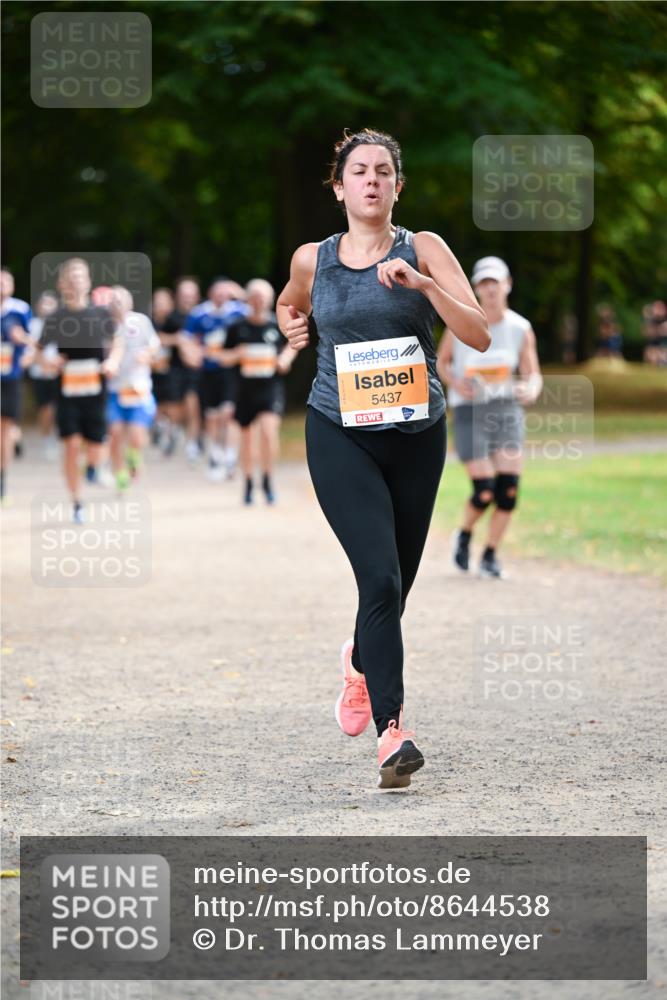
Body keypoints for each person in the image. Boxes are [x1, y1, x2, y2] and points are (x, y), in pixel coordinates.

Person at [276, 128, 490, 789]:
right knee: (380, 579)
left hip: (417, 434)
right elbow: (289, 302)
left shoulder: (422, 248)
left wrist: (424, 285)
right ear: (339, 188)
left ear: (397, 187)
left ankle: (360, 664)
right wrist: (289, 322)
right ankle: (393, 734)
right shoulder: (313, 259)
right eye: (359, 171)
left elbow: (478, 334)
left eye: (383, 171)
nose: (371, 180)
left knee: (395, 583)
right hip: (338, 430)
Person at [436, 256, 542, 580]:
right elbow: (441, 363)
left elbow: (533, 374)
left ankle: (490, 555)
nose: (490, 289)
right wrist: (456, 383)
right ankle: (464, 534)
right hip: (470, 410)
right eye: (484, 283)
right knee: (484, 491)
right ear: (476, 288)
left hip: (506, 409)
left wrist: (531, 388)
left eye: (495, 282)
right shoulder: (461, 323)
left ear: (507, 285)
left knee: (507, 491)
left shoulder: (520, 328)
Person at [39, 258, 122, 523]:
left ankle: (93, 466)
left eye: (80, 277)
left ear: (88, 282)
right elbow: (39, 351)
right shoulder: (56, 318)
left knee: (96, 448)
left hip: (96, 389)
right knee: (71, 446)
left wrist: (113, 361)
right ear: (62, 284)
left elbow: (117, 341)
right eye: (70, 277)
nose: (75, 281)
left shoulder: (101, 314)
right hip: (67, 390)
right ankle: (77, 502)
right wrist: (48, 362)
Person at [220, 278, 297, 505]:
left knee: (268, 433)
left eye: (263, 298)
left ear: (270, 300)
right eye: (254, 298)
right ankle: (248, 481)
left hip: (270, 389)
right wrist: (236, 354)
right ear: (247, 300)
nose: (259, 302)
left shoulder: (276, 325)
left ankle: (268, 479)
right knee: (247, 439)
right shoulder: (236, 327)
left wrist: (285, 359)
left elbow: (292, 344)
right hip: (244, 390)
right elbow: (222, 357)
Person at [184, 278, 248, 481]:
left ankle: (230, 457)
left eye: (225, 292)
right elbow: (187, 339)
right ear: (210, 294)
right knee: (211, 417)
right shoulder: (200, 313)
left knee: (229, 413)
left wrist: (241, 292)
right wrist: (192, 354)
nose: (221, 296)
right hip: (208, 372)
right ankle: (215, 455)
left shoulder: (239, 311)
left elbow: (258, 309)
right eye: (217, 293)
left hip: (231, 372)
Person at [106, 286, 161, 491]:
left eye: (121, 301)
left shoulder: (140, 322)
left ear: (130, 303)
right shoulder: (103, 325)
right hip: (114, 389)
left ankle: (134, 455)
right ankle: (119, 473)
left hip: (138, 388)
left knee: (137, 435)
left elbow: (155, 345)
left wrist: (147, 355)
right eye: (113, 301)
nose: (117, 305)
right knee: (115, 433)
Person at [157, 277, 202, 459]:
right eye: (184, 295)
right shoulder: (172, 317)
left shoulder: (202, 316)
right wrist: (177, 339)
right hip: (176, 368)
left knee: (193, 405)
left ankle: (193, 443)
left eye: (191, 295)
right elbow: (160, 338)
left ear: (196, 296)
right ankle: (173, 430)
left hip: (196, 370)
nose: (187, 299)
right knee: (175, 407)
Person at [1, 268, 32, 501]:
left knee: (6, 429)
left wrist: (22, 340)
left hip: (10, 379)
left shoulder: (20, 310)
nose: (2, 285)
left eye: (5, 281)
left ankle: (3, 480)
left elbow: (34, 344)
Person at [28, 290, 60, 461]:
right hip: (40, 373)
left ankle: (58, 436)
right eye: (44, 303)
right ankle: (47, 440)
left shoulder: (63, 324)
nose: (47, 307)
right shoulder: (32, 325)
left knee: (58, 408)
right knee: (45, 409)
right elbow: (30, 349)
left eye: (50, 303)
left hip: (58, 372)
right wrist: (43, 364)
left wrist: (55, 365)